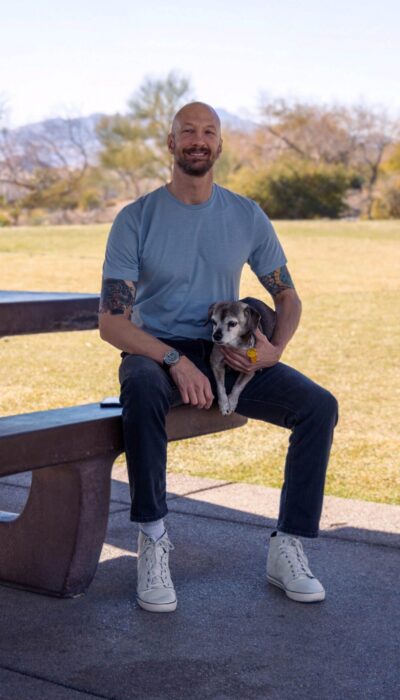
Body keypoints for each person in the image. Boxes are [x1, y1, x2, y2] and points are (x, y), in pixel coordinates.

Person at [99, 102, 338, 613]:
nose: (198, 140)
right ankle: (153, 540)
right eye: (188, 131)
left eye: (209, 132)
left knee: (318, 406)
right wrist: (172, 361)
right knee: (140, 388)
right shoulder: (135, 218)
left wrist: (273, 351)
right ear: (171, 143)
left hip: (229, 351)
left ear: (220, 146)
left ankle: (288, 546)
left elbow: (288, 298)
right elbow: (113, 323)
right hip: (156, 350)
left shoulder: (245, 214)